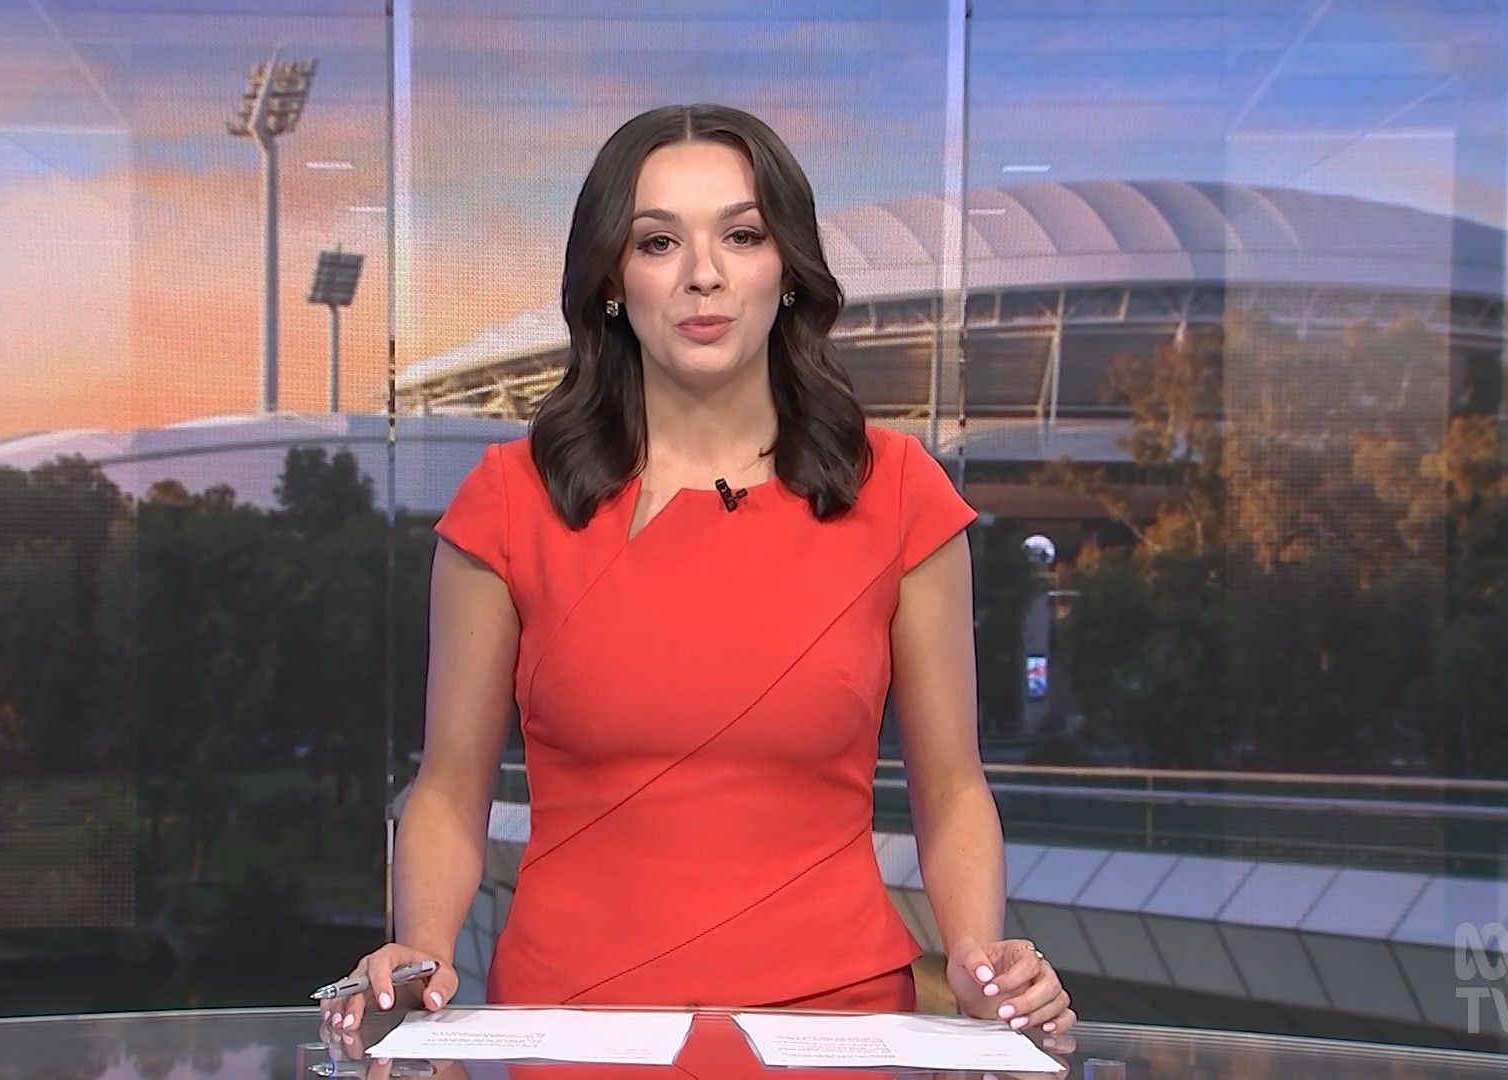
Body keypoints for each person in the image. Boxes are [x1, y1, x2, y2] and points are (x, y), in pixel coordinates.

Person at [319, 103, 1075, 1039]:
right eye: (658, 241)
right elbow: (446, 788)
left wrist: (977, 956)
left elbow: (953, 786)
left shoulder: (899, 494)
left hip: (833, 1032)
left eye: (742, 235)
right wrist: (421, 950)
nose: (703, 273)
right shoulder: (510, 501)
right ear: (612, 281)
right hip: (573, 1030)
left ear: (787, 270)